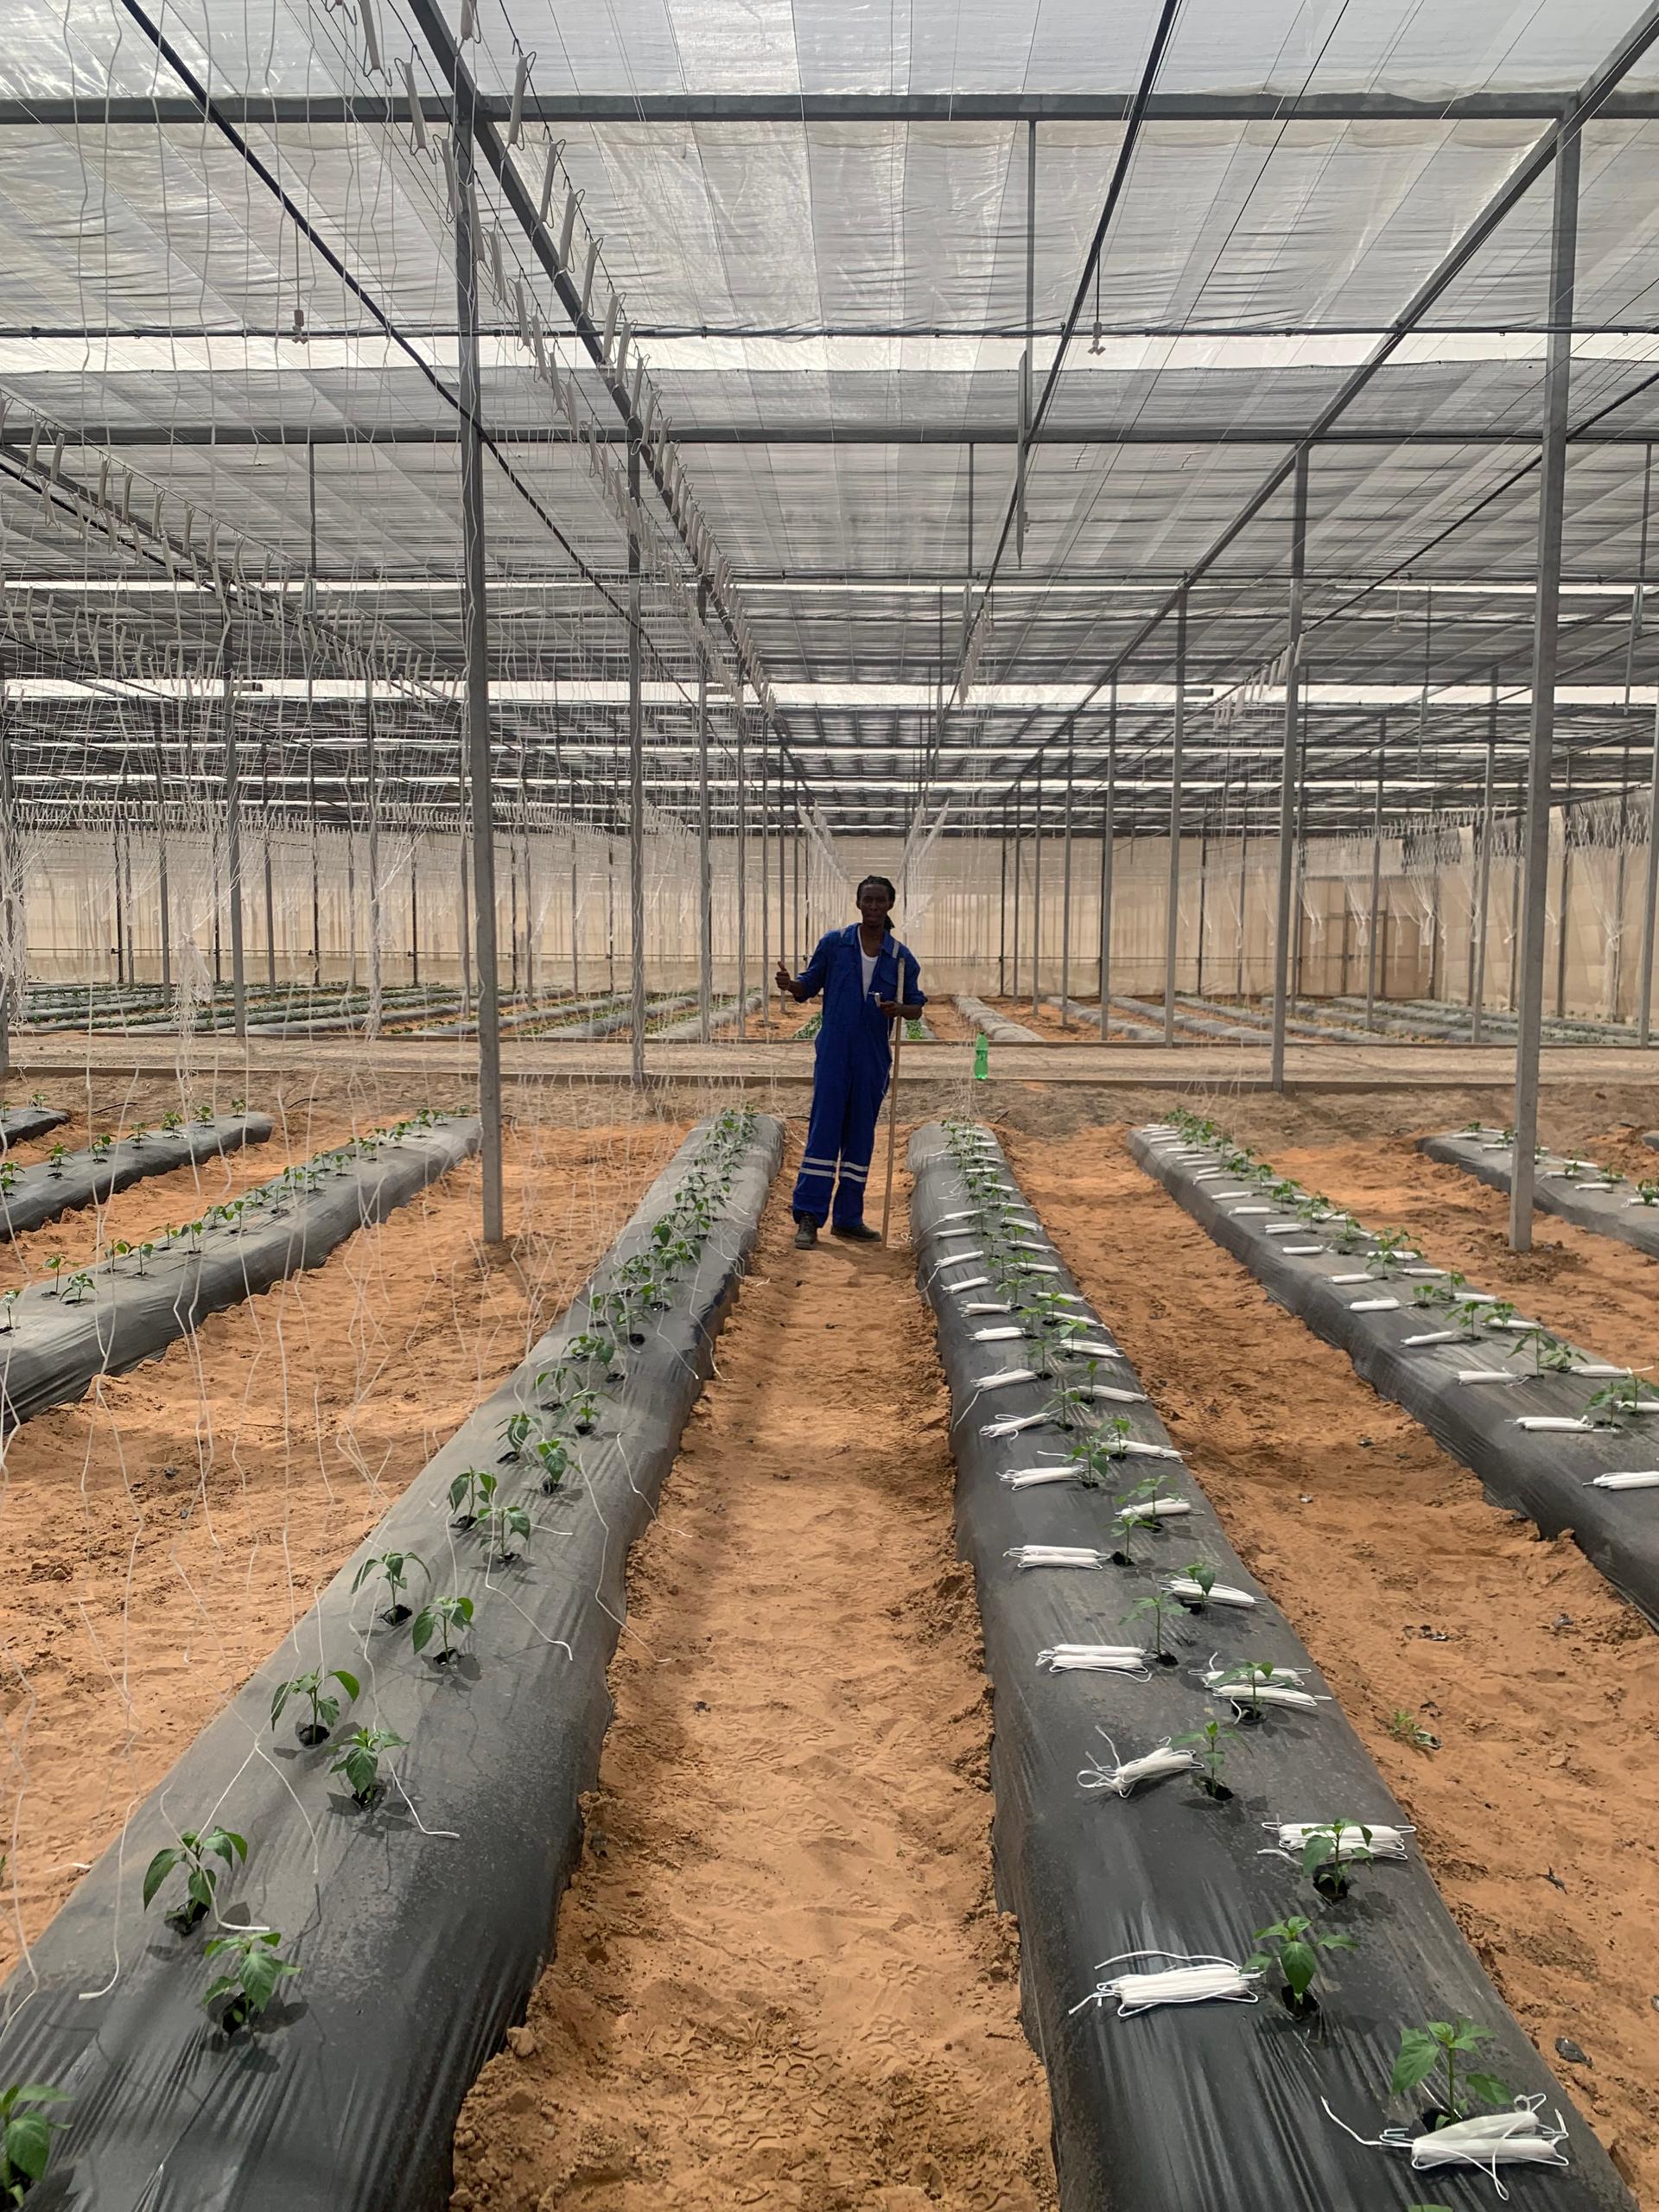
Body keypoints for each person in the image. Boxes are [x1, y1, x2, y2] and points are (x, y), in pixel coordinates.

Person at [775, 875, 925, 1249]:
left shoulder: (901, 957)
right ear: (858, 904)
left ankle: (848, 1217)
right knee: (824, 1128)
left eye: (880, 901)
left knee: (861, 1133)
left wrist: (900, 1008)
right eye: (867, 900)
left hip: (873, 1056)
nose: (873, 907)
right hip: (835, 1052)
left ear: (891, 905)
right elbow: (808, 987)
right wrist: (789, 984)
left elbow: (917, 1008)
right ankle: (809, 1215)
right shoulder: (834, 944)